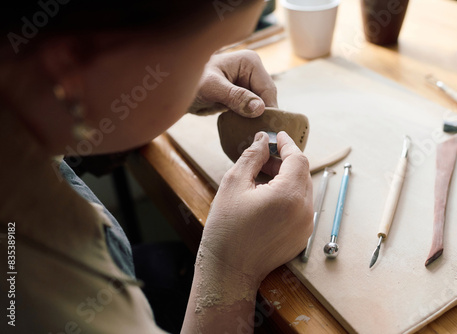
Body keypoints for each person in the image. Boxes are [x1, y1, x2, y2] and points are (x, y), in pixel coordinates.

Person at [0, 1, 313, 333]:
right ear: (71, 67)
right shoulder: (41, 289)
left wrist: (137, 87)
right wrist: (230, 269)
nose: (210, 63)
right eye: (208, 48)